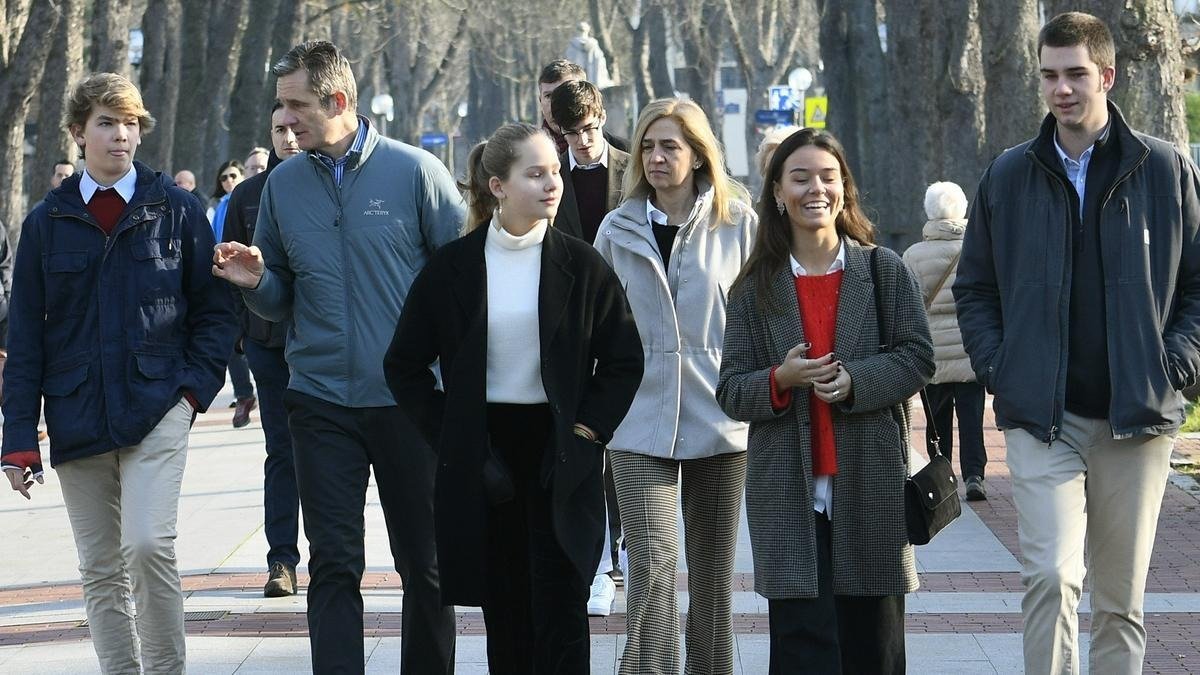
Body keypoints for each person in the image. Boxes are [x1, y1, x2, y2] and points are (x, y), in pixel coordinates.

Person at [953, 12, 1200, 674]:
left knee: (1120, 601)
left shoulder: (1165, 170)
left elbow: (1198, 288)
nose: (1061, 89)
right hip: (1043, 417)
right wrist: (1001, 366)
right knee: (1052, 578)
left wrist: (1176, 364)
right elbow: (974, 287)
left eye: (1075, 74)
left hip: (1137, 419)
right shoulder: (1008, 175)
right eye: (1049, 76)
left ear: (1108, 76)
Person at [212, 40, 460, 674]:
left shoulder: (415, 173)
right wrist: (254, 283)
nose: (285, 120)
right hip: (320, 399)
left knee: (424, 565)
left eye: (296, 105)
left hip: (408, 402)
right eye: (280, 106)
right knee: (333, 564)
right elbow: (278, 298)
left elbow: (464, 282)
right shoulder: (282, 188)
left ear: (338, 101)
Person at [384, 122, 643, 675]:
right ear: (498, 185)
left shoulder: (583, 264)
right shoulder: (453, 267)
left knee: (564, 611)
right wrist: (454, 437)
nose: (553, 184)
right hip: (486, 453)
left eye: (555, 172)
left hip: (562, 449)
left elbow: (623, 360)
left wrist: (588, 432)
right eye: (536, 174)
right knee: (507, 614)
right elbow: (403, 367)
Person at [1, 72, 237, 674]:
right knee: (101, 567)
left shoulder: (176, 209)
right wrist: (19, 440)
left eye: (130, 123)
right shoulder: (45, 224)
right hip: (78, 410)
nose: (121, 135)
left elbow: (215, 312)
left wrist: (192, 393)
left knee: (149, 545)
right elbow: (24, 338)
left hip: (159, 404)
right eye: (107, 123)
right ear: (79, 133)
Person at [716, 128, 934, 674]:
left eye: (828, 176)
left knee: (875, 649)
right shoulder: (754, 286)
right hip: (790, 492)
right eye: (801, 177)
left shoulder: (882, 269)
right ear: (777, 192)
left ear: (844, 188)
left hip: (871, 484)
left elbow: (917, 356)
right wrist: (780, 379)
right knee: (801, 650)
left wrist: (857, 381)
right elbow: (730, 390)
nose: (816, 188)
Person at [593, 97, 756, 674]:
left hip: (722, 419)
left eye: (671, 145)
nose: (656, 157)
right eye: (647, 145)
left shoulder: (738, 221)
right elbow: (599, 324)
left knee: (713, 576)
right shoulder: (617, 228)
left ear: (698, 153)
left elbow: (760, 316)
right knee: (654, 567)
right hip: (638, 423)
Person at [549, 77, 631, 616]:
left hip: (635, 326)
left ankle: (622, 546)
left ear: (602, 116)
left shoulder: (634, 168)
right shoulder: (551, 178)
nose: (585, 141)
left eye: (592, 128)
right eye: (574, 132)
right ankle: (602, 560)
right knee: (592, 444)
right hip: (578, 327)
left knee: (629, 448)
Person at [221, 101, 303, 597]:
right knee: (282, 450)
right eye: (279, 130)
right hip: (267, 346)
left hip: (322, 343)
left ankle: (336, 556)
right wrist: (241, 338)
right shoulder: (247, 196)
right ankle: (282, 561)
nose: (289, 138)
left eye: (295, 128)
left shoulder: (327, 186)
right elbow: (227, 267)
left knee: (330, 453)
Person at [902, 181, 987, 500]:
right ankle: (975, 474)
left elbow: (906, 304)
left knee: (936, 422)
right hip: (970, 347)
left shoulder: (913, 255)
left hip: (932, 350)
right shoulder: (976, 250)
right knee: (972, 417)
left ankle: (942, 476)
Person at [206, 159, 255, 427]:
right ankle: (244, 394)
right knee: (232, 340)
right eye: (223, 177)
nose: (228, 181)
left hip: (254, 276)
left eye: (232, 175)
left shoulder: (250, 198)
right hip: (225, 278)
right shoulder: (219, 206)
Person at [537, 59, 627, 155]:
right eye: (548, 96)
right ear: (540, 101)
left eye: (565, 93)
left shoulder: (626, 151)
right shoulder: (529, 153)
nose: (554, 103)